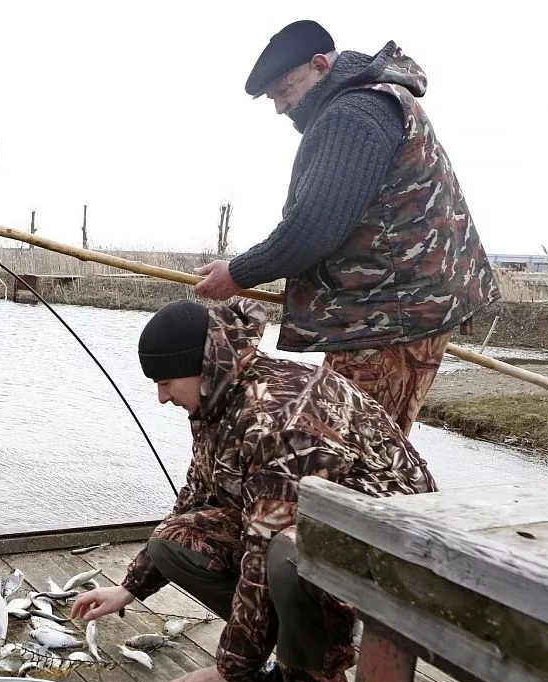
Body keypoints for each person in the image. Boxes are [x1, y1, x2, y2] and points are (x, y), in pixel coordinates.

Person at [71, 298, 437, 682]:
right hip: (309, 529)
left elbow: (266, 553)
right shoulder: (222, 396)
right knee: (174, 542)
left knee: (285, 559)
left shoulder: (280, 421)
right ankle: (287, 656)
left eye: (164, 382)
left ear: (198, 366)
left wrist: (227, 672)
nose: (161, 397)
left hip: (396, 549)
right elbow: (198, 494)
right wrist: (130, 587)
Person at [192, 20, 500, 435]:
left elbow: (315, 227)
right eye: (273, 99)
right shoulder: (375, 100)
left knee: (354, 451)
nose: (282, 107)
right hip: (400, 312)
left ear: (320, 64)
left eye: (285, 91)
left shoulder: (353, 114)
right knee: (373, 445)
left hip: (389, 319)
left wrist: (237, 273)